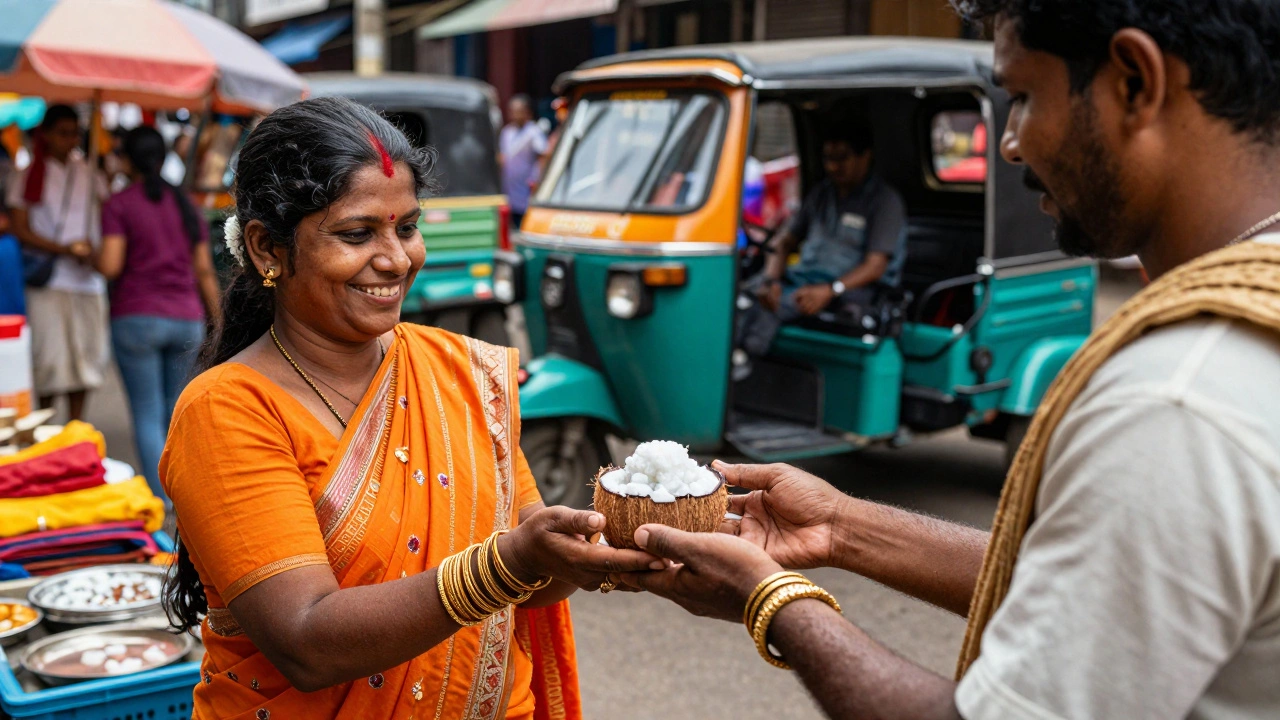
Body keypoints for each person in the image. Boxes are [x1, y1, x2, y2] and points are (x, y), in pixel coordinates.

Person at [621, 2, 1280, 719]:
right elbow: (1095, 583)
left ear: (1133, 82)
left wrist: (768, 598)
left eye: (1023, 97)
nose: (1009, 145)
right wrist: (842, 527)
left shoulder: (1175, 401)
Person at [160, 97, 660, 720]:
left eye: (407, 227)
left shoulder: (459, 372)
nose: (397, 259)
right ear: (267, 249)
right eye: (357, 233)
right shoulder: (228, 410)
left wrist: (616, 544)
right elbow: (304, 640)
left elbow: (534, 574)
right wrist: (505, 565)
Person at [94, 126, 220, 501]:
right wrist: (220, 323)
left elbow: (111, 265)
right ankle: (184, 495)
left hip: (136, 318)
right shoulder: (185, 205)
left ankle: (162, 501)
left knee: (148, 415)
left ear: (126, 160)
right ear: (163, 159)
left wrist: (88, 255)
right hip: (186, 318)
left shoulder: (119, 204)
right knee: (175, 413)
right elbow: (204, 271)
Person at [735, 116, 906, 372]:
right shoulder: (821, 194)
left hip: (854, 291)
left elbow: (875, 266)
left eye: (842, 158)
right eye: (828, 158)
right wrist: (770, 279)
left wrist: (831, 289)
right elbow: (784, 242)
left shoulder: (884, 202)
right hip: (805, 279)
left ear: (864, 157)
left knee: (770, 308)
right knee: (742, 294)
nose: (833, 167)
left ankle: (743, 364)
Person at [6, 105, 109, 421]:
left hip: (87, 279)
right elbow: (21, 228)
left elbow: (106, 216)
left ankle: (76, 424)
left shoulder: (90, 171)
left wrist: (92, 250)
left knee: (85, 358)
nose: (70, 139)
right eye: (63, 133)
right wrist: (63, 249)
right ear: (47, 135)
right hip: (49, 279)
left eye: (74, 133)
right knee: (49, 360)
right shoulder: (26, 174)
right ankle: (46, 424)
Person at [498, 94, 547, 227]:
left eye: (518, 111)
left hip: (526, 188)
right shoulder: (507, 132)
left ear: (527, 112)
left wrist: (537, 181)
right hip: (509, 188)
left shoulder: (534, 132)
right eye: (512, 111)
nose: (515, 115)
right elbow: (503, 156)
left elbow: (542, 156)